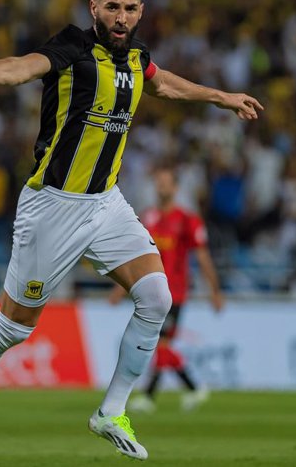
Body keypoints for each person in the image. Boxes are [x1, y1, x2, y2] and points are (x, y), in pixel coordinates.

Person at [0, 0, 262, 461]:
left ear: (140, 12)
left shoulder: (136, 58)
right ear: (94, 9)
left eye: (129, 9)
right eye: (112, 8)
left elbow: (163, 84)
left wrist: (221, 97)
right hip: (53, 204)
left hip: (106, 203)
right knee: (17, 326)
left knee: (156, 296)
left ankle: (112, 410)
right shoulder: (72, 48)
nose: (121, 17)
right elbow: (25, 65)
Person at [108, 162, 224, 413]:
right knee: (158, 343)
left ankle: (190, 388)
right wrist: (120, 289)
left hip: (176, 293)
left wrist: (215, 291)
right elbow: (135, 255)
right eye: (158, 182)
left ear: (175, 187)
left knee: (161, 344)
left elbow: (202, 257)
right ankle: (159, 395)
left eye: (165, 182)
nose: (161, 186)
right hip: (151, 292)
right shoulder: (148, 217)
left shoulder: (187, 220)